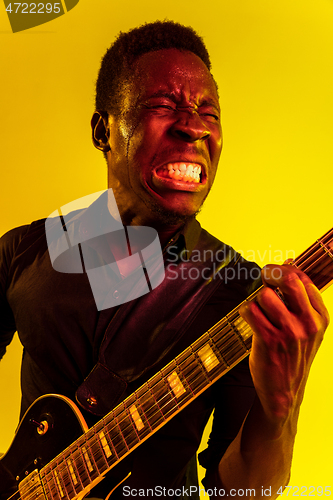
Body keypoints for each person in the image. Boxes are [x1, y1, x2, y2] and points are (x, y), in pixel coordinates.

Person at [0, 20, 329, 500]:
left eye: (208, 112)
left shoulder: (238, 292)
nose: (194, 126)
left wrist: (279, 411)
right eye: (161, 106)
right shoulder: (24, 252)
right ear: (103, 130)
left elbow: (238, 494)